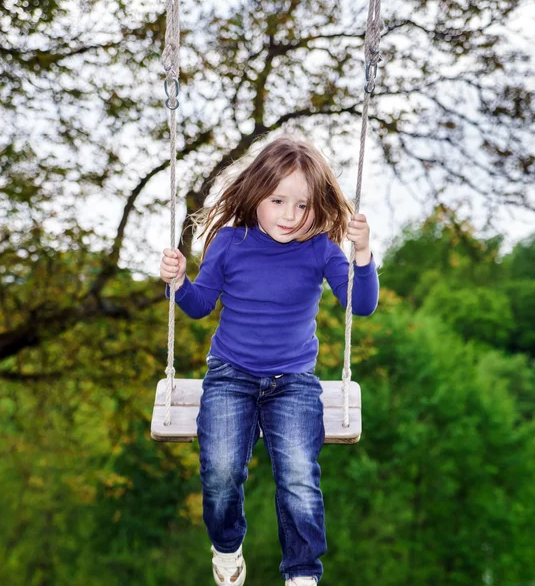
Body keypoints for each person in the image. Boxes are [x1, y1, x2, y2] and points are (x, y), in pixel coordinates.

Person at [159, 136, 379, 586]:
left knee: (299, 477)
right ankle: (227, 548)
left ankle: (301, 572)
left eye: (303, 205)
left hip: (293, 381)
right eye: (278, 200)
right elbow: (201, 305)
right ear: (257, 192)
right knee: (220, 470)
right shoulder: (228, 242)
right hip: (230, 374)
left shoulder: (319, 248)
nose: (290, 215)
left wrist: (362, 254)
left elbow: (362, 304)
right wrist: (179, 282)